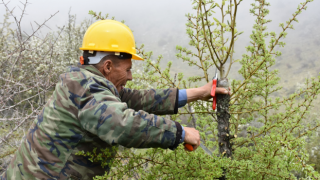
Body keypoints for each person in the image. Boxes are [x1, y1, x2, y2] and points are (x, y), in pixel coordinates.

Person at [0, 20, 229, 180]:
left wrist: (199, 92)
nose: (130, 76)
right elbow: (122, 124)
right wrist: (179, 133)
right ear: (108, 66)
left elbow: (139, 99)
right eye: (128, 69)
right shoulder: (88, 90)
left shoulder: (85, 81)